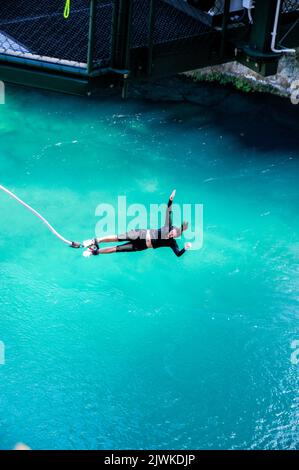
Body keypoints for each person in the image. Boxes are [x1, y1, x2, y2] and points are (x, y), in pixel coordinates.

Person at [83, 190, 192, 257]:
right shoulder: (169, 225)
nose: (171, 235)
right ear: (172, 229)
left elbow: (178, 254)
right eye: (172, 233)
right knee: (117, 238)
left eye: (173, 236)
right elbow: (168, 210)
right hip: (141, 234)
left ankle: (94, 252)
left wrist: (185, 248)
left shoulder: (172, 243)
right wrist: (170, 199)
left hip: (142, 246)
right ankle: (95, 240)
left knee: (116, 249)